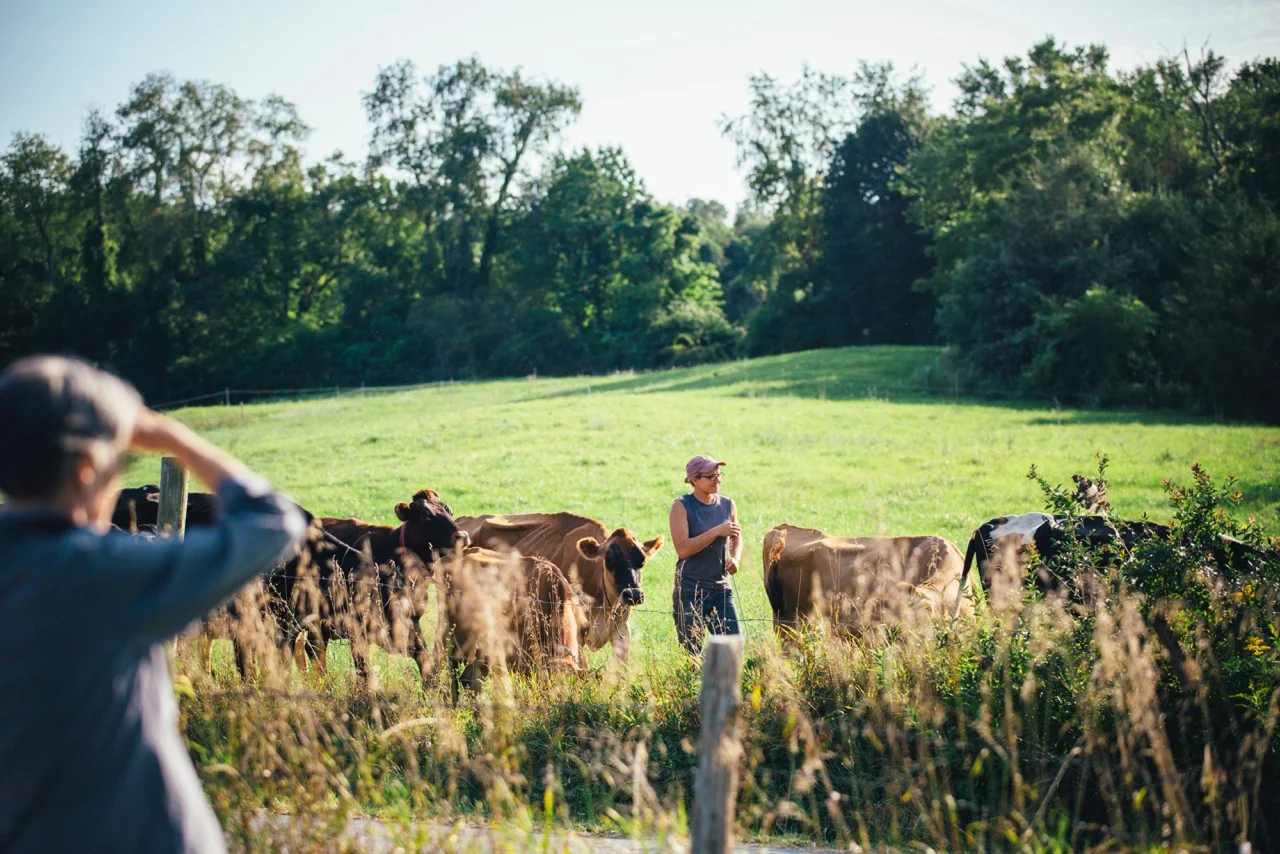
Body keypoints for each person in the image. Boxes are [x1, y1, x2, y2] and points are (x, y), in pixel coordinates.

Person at [0, 355, 308, 853]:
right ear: (86, 472)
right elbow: (274, 523)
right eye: (119, 465)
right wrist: (169, 437)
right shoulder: (104, 573)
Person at [668, 454, 742, 655]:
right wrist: (717, 531)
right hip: (690, 590)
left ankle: (727, 687)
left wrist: (735, 558)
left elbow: (736, 537)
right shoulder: (681, 506)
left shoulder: (728, 504)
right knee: (692, 654)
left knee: (733, 650)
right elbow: (683, 549)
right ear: (694, 480)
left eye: (719, 475)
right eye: (710, 476)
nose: (717, 479)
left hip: (721, 589)